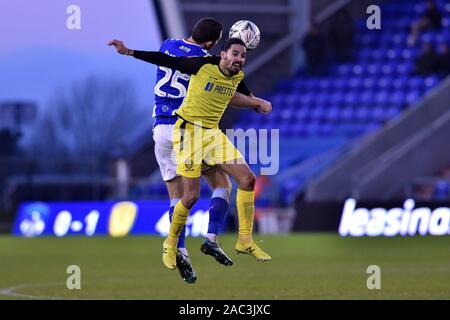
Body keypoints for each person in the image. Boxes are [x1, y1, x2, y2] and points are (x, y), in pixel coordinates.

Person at [109, 20, 267, 283]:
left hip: (161, 128)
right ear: (212, 44)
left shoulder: (169, 45)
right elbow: (229, 92)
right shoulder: (207, 61)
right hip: (188, 128)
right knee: (220, 185)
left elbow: (166, 58)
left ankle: (178, 249)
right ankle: (211, 237)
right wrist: (254, 101)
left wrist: (129, 52)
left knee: (177, 195)